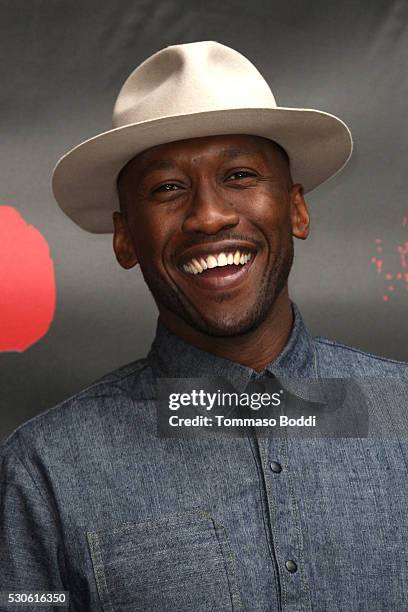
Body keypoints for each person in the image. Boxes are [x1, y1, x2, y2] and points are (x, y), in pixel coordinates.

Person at [1, 41, 407, 612]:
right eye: (167, 188)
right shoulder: (45, 470)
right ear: (124, 237)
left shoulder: (400, 414)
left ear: (297, 209)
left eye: (240, 175)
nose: (209, 215)